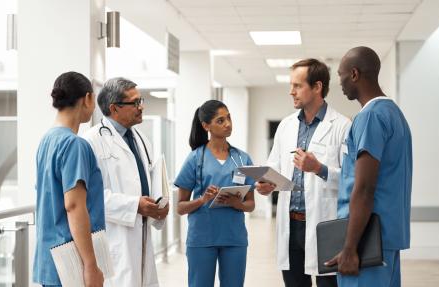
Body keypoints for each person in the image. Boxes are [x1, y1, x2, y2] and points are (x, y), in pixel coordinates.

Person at [256, 58, 351, 287]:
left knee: (329, 284)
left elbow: (351, 178)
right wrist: (267, 183)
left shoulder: (342, 125)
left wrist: (319, 168)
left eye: (297, 86)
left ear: (317, 87)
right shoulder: (286, 126)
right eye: (291, 85)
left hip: (324, 224)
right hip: (291, 226)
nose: (291, 92)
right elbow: (275, 167)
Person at [325, 46, 412, 287]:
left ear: (354, 74)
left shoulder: (370, 117)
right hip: (386, 238)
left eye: (341, 76)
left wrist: (350, 248)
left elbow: (364, 187)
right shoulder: (394, 114)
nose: (340, 84)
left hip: (367, 241)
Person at [82, 77, 169, 287]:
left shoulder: (141, 139)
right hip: (114, 238)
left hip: (141, 234)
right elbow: (88, 197)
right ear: (114, 108)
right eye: (135, 102)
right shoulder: (91, 141)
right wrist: (134, 205)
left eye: (141, 101)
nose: (142, 107)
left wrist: (158, 207)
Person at [33, 71, 105, 287]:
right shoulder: (75, 145)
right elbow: (74, 206)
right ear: (88, 98)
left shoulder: (47, 141)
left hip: (50, 259)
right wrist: (91, 265)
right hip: (72, 262)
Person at [174, 100, 256, 287]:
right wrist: (203, 199)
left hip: (234, 238)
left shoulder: (242, 158)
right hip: (202, 239)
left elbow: (251, 204)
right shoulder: (195, 158)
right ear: (206, 126)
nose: (227, 123)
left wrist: (238, 204)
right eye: (220, 120)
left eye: (228, 118)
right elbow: (180, 207)